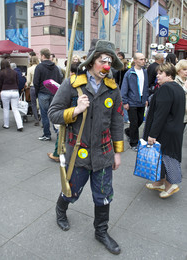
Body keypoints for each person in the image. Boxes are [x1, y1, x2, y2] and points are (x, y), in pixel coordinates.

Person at [48, 39, 124, 255]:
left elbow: (118, 121)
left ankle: (101, 232)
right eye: (103, 61)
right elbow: (53, 112)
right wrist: (76, 110)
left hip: (104, 152)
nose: (107, 66)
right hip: (77, 154)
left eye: (110, 61)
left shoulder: (112, 88)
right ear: (92, 62)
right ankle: (60, 210)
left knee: (104, 194)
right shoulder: (72, 84)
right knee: (72, 191)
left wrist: (117, 153)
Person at [144, 63, 185, 198]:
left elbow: (160, 114)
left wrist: (152, 134)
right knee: (162, 158)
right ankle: (160, 182)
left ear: (169, 75)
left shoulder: (166, 88)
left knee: (167, 158)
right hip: (175, 129)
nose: (157, 76)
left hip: (166, 131)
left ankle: (170, 185)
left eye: (160, 73)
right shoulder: (178, 87)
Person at [121, 53, 149, 151]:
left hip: (141, 100)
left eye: (144, 59)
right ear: (135, 60)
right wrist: (124, 102)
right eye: (141, 59)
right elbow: (124, 88)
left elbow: (145, 86)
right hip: (131, 101)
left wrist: (146, 99)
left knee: (140, 120)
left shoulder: (145, 72)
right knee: (134, 122)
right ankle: (134, 143)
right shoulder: (129, 73)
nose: (143, 61)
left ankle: (128, 131)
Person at [33, 48, 62, 141]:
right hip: (54, 93)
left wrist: (37, 92)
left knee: (44, 114)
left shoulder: (39, 67)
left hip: (43, 93)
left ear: (42, 56)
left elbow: (36, 82)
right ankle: (58, 132)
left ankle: (47, 134)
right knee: (53, 113)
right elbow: (59, 80)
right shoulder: (56, 67)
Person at [0, 59, 23, 131]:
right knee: (15, 109)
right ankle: (20, 125)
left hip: (5, 92)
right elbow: (17, 82)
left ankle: (6, 125)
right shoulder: (14, 72)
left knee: (6, 109)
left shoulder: (1, 73)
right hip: (15, 91)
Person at [27, 56, 40, 126]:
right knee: (41, 102)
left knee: (33, 104)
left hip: (33, 87)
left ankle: (36, 119)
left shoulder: (29, 69)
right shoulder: (40, 67)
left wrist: (28, 84)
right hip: (40, 87)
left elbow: (28, 81)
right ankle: (41, 115)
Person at [175, 59, 187, 125]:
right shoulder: (175, 81)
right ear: (178, 70)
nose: (186, 72)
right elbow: (177, 95)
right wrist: (185, 87)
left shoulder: (185, 80)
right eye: (184, 69)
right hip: (179, 113)